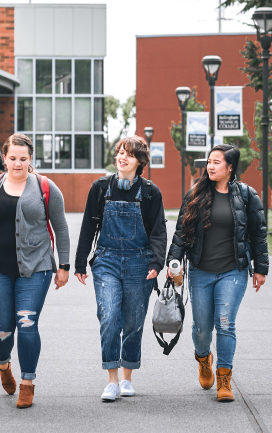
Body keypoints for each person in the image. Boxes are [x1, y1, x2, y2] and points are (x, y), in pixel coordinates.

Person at [0, 133, 70, 409]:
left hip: (37, 268)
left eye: (23, 159)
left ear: (30, 159)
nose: (17, 164)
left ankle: (28, 382)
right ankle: (3, 365)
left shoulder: (46, 188)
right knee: (2, 330)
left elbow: (60, 228)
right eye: (12, 158)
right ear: (5, 158)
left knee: (27, 323)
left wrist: (64, 266)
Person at [166, 144, 268, 402]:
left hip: (233, 271)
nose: (210, 166)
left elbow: (258, 233)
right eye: (209, 161)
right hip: (201, 270)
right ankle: (203, 359)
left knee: (225, 323)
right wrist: (173, 261)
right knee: (202, 328)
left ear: (230, 167)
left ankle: (224, 378)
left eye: (216, 162)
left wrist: (261, 268)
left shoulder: (247, 195)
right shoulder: (195, 194)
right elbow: (181, 232)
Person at [75, 136, 167, 402]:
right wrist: (80, 263)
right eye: (119, 152)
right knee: (109, 317)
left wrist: (156, 262)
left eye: (129, 154)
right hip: (107, 261)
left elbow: (158, 232)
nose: (122, 157)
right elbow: (87, 228)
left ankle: (127, 377)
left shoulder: (151, 192)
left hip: (140, 262)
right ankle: (112, 381)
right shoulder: (100, 188)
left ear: (140, 161)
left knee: (134, 322)